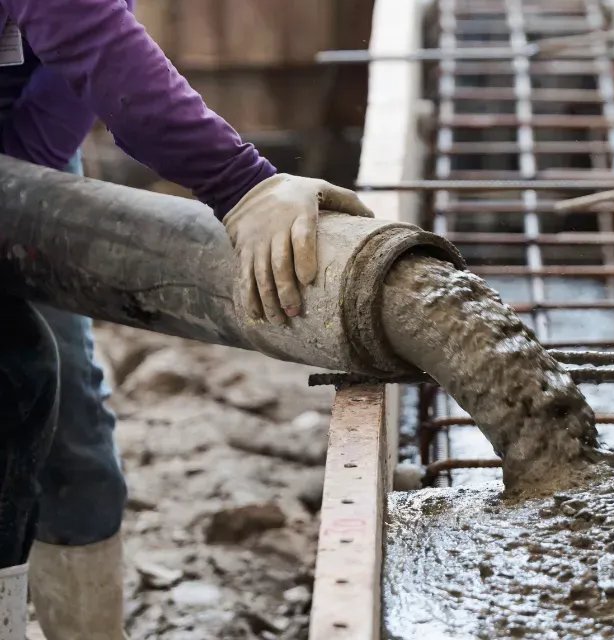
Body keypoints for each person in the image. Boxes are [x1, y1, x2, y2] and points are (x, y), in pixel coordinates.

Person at [0, 1, 374, 637]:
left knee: (65, 422)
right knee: (16, 374)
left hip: (19, 146)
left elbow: (92, 47)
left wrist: (244, 184)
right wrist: (240, 181)